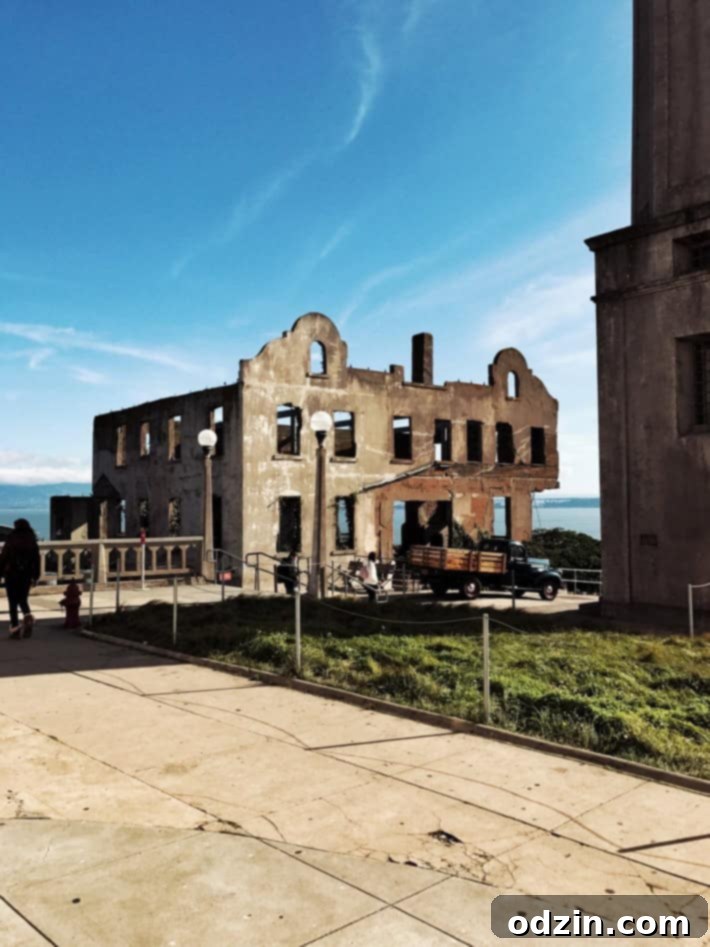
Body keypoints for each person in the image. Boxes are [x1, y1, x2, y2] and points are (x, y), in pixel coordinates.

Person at [0, 518, 40, 639]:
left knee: (12, 602)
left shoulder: (12, 538)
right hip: (26, 575)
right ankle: (27, 617)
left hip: (11, 574)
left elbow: (4, 557)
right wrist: (35, 576)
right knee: (22, 599)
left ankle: (15, 628)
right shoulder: (32, 540)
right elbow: (36, 560)